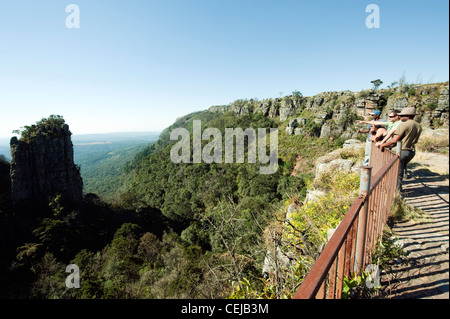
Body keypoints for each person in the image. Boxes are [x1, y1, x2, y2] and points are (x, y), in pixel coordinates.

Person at [379, 107, 422, 192]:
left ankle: (396, 192)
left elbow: (394, 140)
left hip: (401, 150)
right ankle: (396, 190)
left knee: (397, 173)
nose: (400, 117)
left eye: (402, 115)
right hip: (411, 151)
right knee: (400, 171)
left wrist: (383, 145)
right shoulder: (418, 125)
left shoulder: (404, 124)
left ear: (408, 116)